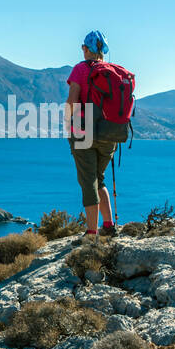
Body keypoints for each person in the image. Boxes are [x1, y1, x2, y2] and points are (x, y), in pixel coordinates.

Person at [66, 30, 119, 236]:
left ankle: (91, 233)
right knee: (99, 178)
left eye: (83, 47)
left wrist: (67, 123)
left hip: (83, 126)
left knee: (88, 181)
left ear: (86, 48)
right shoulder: (112, 71)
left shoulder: (80, 69)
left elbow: (73, 100)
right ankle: (108, 225)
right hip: (109, 131)